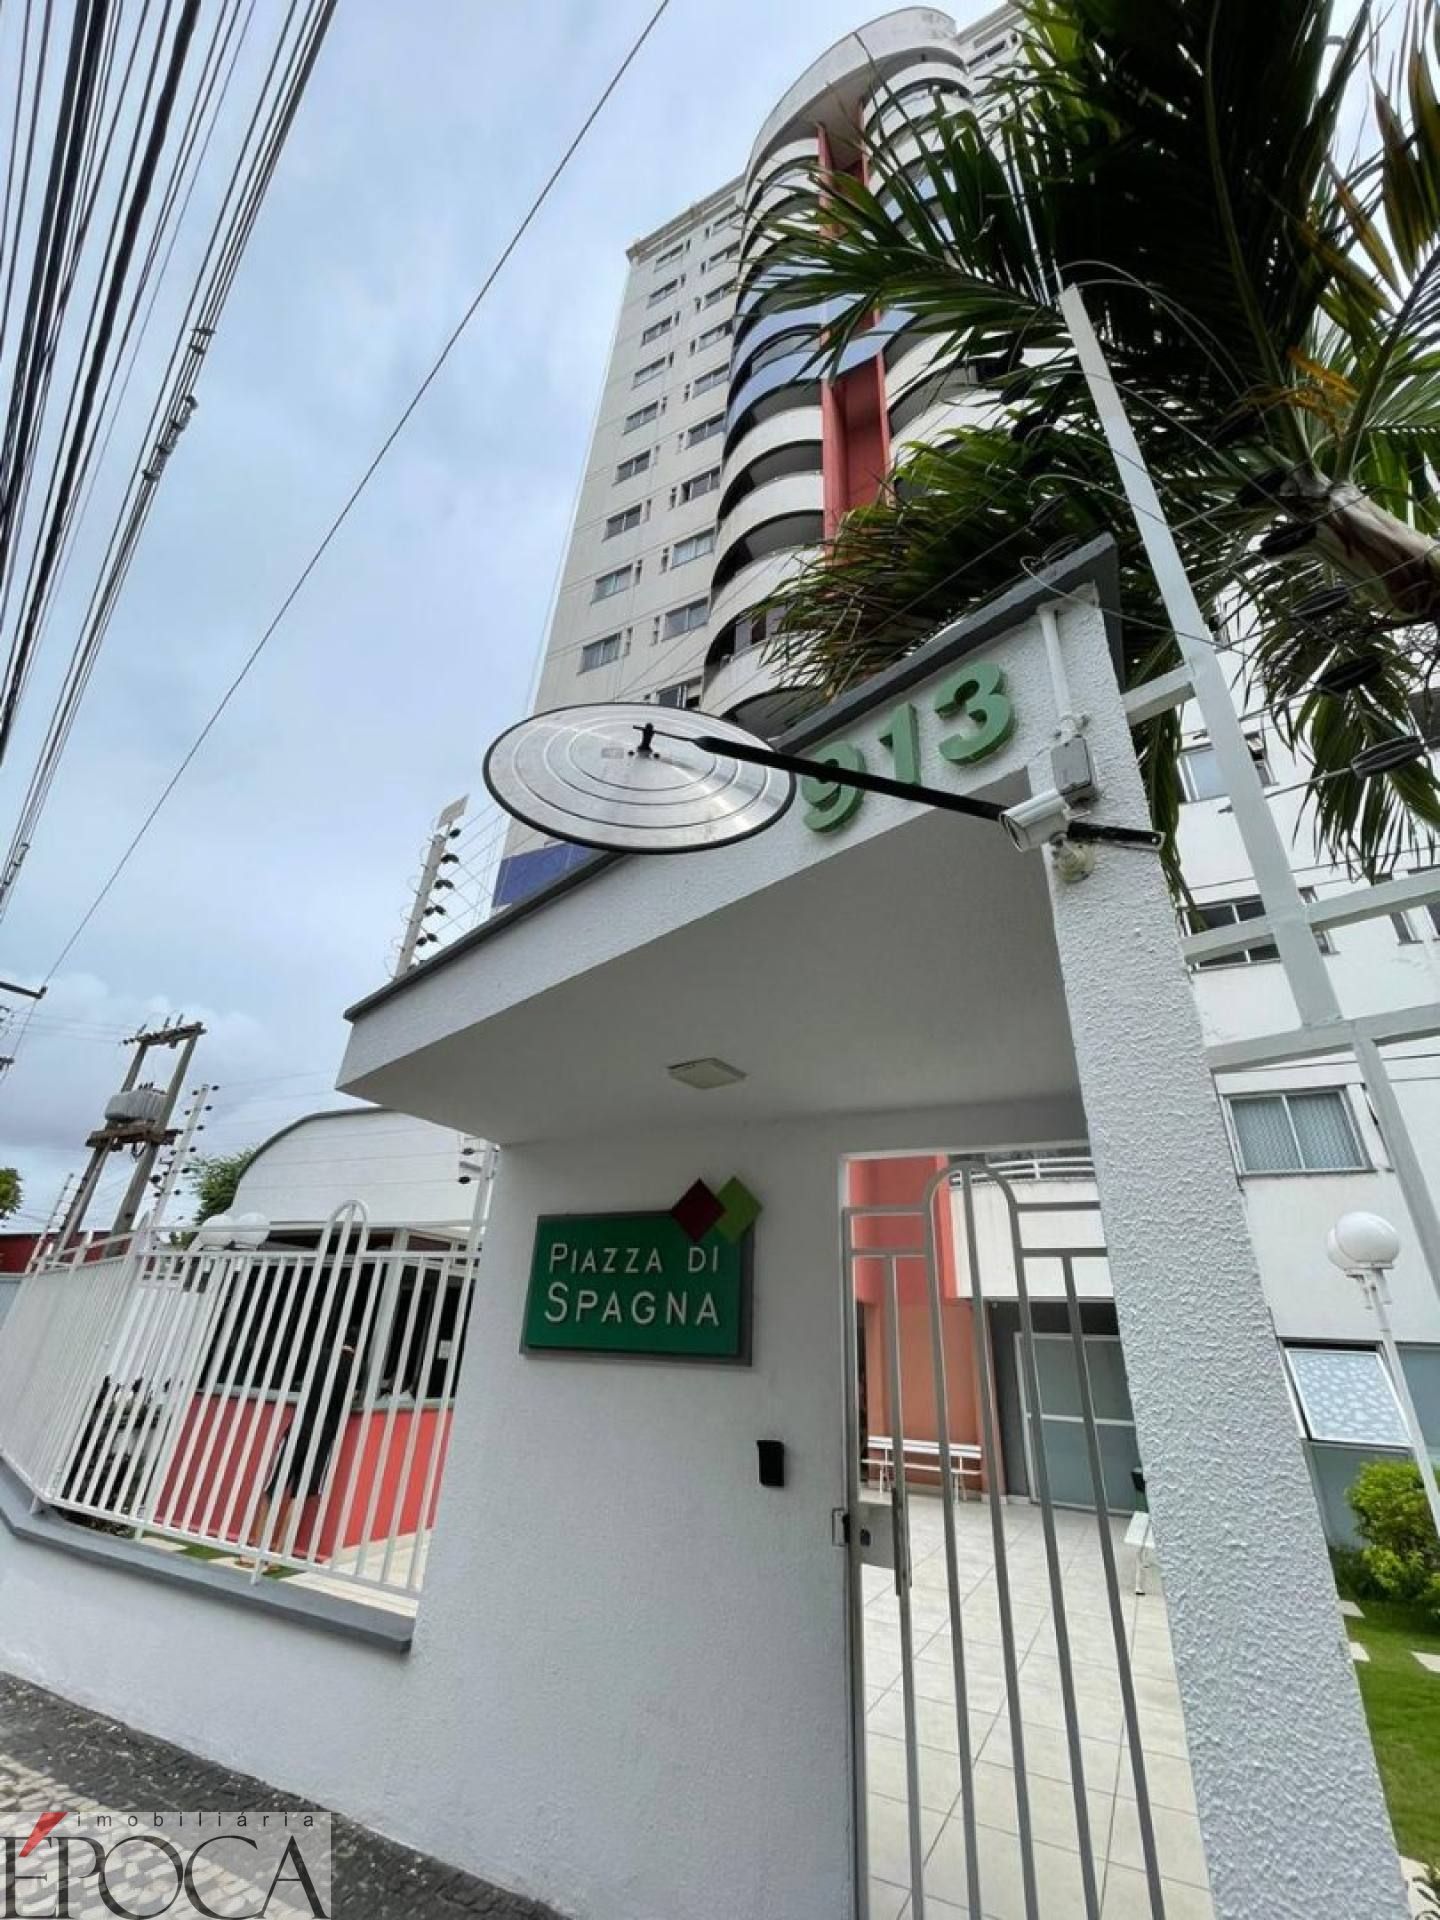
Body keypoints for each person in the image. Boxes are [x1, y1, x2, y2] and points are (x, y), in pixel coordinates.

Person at [244, 1337, 356, 1568]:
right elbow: (351, 1398)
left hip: (299, 1429)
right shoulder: (354, 1369)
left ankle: (255, 1549)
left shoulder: (321, 1358)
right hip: (323, 1436)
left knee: (273, 1489)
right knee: (299, 1495)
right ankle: (278, 1554)